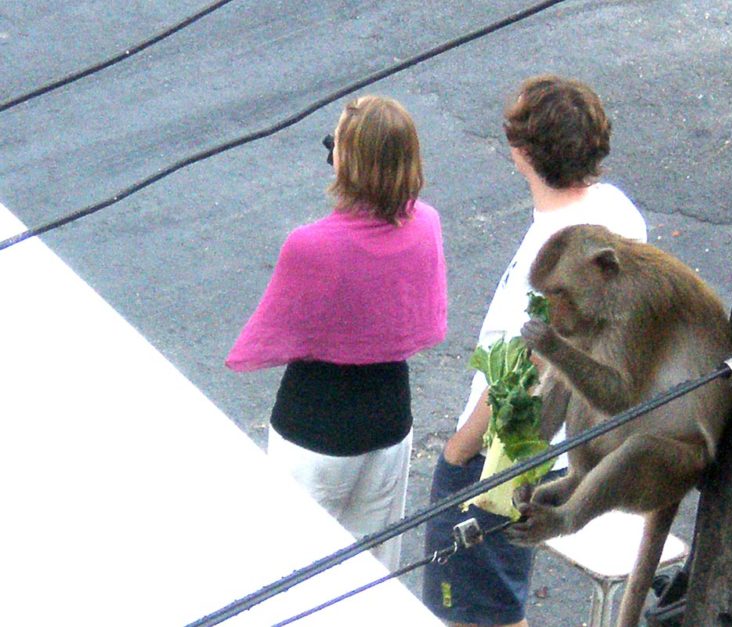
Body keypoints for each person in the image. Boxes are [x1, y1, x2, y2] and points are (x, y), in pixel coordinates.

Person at [421, 75, 647, 627]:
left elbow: (533, 365)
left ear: (522, 154)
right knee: (493, 597)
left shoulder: (560, 251)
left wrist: (461, 450)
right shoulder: (616, 212)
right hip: (572, 439)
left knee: (477, 609)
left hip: (508, 448)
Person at [225, 95, 447, 571]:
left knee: (290, 575)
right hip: (389, 420)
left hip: (315, 428)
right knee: (371, 576)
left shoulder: (311, 246)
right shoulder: (426, 224)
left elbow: (275, 333)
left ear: (347, 162)